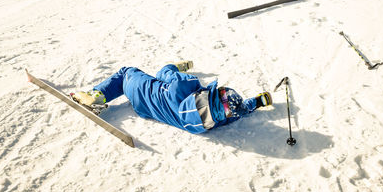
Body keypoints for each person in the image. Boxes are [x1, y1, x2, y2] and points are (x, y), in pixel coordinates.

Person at [72, 61, 272, 134]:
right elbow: (239, 111)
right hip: (144, 110)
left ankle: (96, 95)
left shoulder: (187, 85)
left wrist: (178, 67)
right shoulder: (211, 123)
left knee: (126, 72)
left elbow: (163, 72)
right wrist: (258, 102)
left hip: (138, 89)